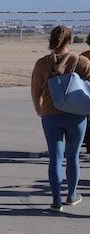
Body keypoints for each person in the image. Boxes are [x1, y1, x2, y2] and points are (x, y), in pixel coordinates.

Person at [30, 25, 90, 211]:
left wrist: (39, 109)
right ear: (70, 41)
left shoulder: (41, 64)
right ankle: (71, 195)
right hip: (77, 115)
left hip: (50, 114)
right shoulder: (81, 62)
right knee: (73, 157)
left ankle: (56, 201)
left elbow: (35, 90)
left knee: (55, 159)